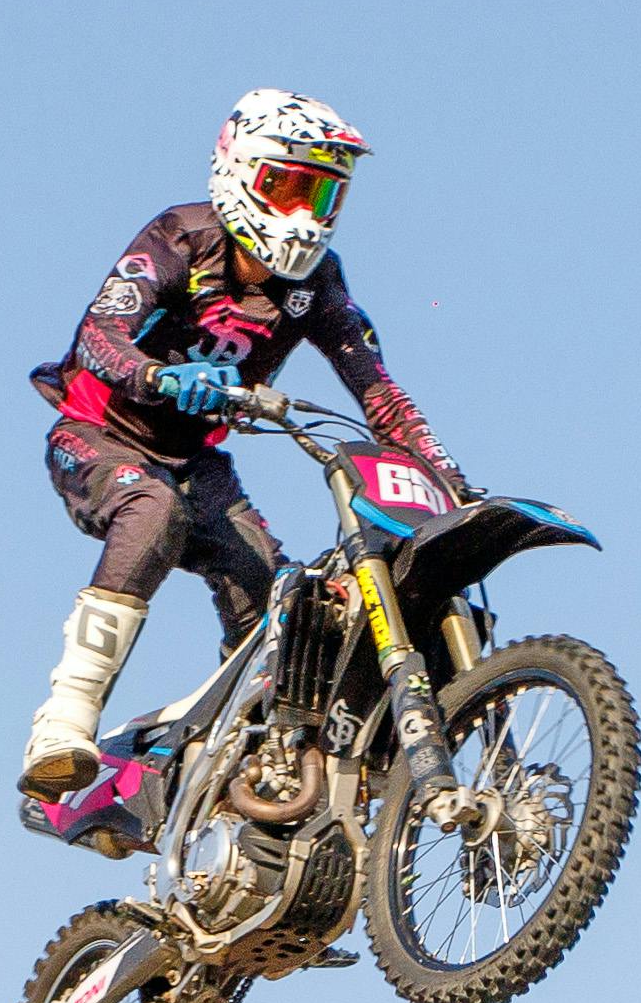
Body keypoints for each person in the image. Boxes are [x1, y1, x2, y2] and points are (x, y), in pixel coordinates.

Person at [22, 89, 455, 796]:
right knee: (152, 511)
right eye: (286, 186)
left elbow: (375, 387)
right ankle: (64, 719)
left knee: (278, 596)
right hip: (98, 437)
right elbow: (97, 338)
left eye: (320, 196)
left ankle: (253, 761)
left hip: (198, 461)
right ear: (239, 173)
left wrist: (440, 469)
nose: (301, 214)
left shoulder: (316, 283)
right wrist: (158, 376)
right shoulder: (179, 237)